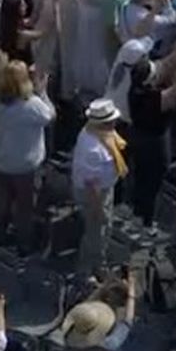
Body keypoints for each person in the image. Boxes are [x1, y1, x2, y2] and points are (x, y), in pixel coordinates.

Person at [0, 60, 56, 253]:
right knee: (25, 208)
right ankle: (23, 245)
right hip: (25, 167)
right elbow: (50, 116)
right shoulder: (32, 105)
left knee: (0, 205)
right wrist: (43, 90)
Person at [72, 98, 128, 282]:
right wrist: (97, 209)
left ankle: (98, 263)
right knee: (96, 231)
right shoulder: (92, 149)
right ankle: (88, 270)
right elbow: (91, 186)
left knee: (101, 228)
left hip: (104, 188)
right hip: (95, 195)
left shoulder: (96, 133)